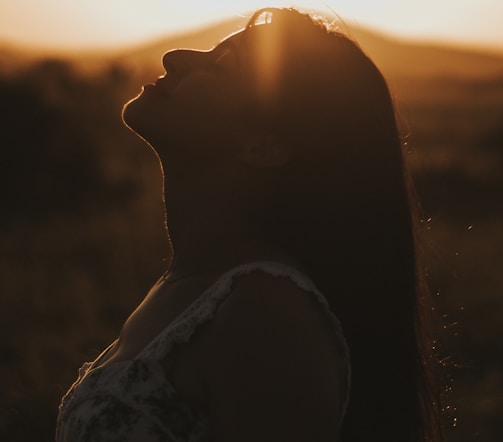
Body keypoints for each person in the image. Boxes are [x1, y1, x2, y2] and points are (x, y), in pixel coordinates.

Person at [56, 7, 443, 442]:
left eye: (221, 65)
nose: (175, 57)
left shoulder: (265, 315)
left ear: (261, 145)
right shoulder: (193, 286)